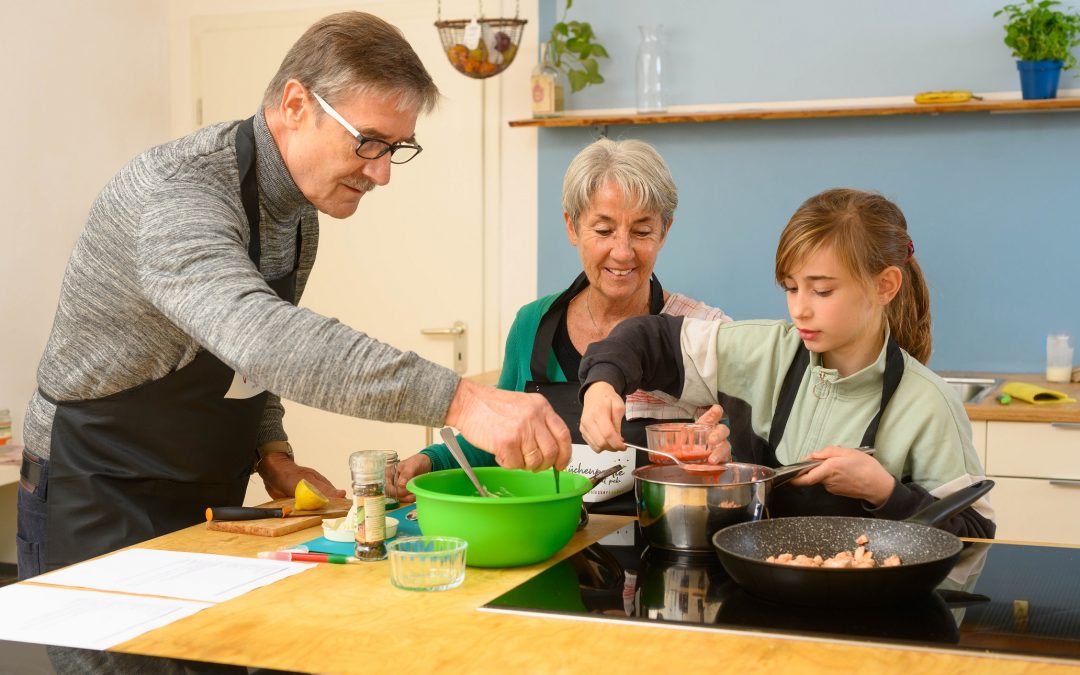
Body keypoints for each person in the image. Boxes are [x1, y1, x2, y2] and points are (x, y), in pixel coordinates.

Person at [17, 11, 570, 579]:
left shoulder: (298, 215)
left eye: (396, 148)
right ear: (295, 104)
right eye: (369, 142)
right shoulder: (177, 195)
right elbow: (263, 338)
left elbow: (242, 359)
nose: (382, 174)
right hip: (96, 490)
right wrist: (466, 402)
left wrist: (271, 452)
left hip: (208, 495)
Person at [578, 188, 995, 537]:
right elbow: (648, 338)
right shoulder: (764, 351)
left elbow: (974, 535)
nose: (800, 310)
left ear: (885, 285)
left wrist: (884, 492)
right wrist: (602, 386)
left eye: (822, 291)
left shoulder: (928, 403)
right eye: (792, 289)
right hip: (751, 600)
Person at [392, 138, 732, 511]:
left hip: (658, 549)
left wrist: (721, 455)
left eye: (641, 231)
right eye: (603, 231)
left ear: (664, 231)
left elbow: (739, 463)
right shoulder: (532, 325)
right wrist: (429, 461)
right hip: (551, 543)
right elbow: (494, 442)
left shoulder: (703, 330)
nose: (622, 251)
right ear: (572, 227)